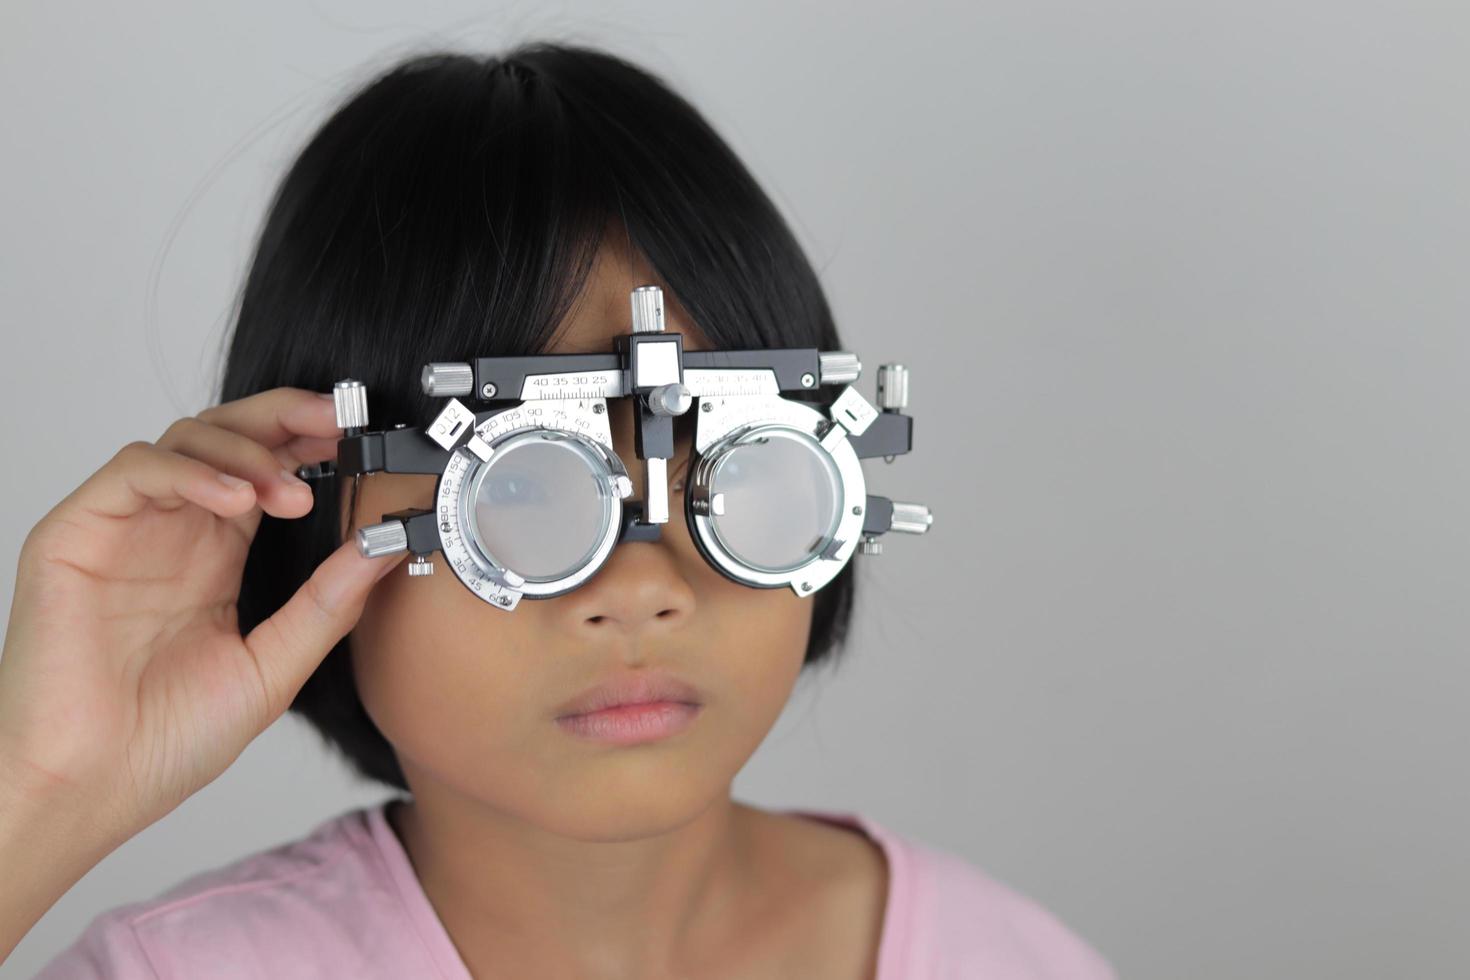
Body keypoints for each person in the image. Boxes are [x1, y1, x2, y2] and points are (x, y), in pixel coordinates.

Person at [0, 41, 1116, 979]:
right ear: (302, 515)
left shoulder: (1003, 956)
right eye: (521, 484)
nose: (644, 586)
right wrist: (42, 789)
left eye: (735, 465)